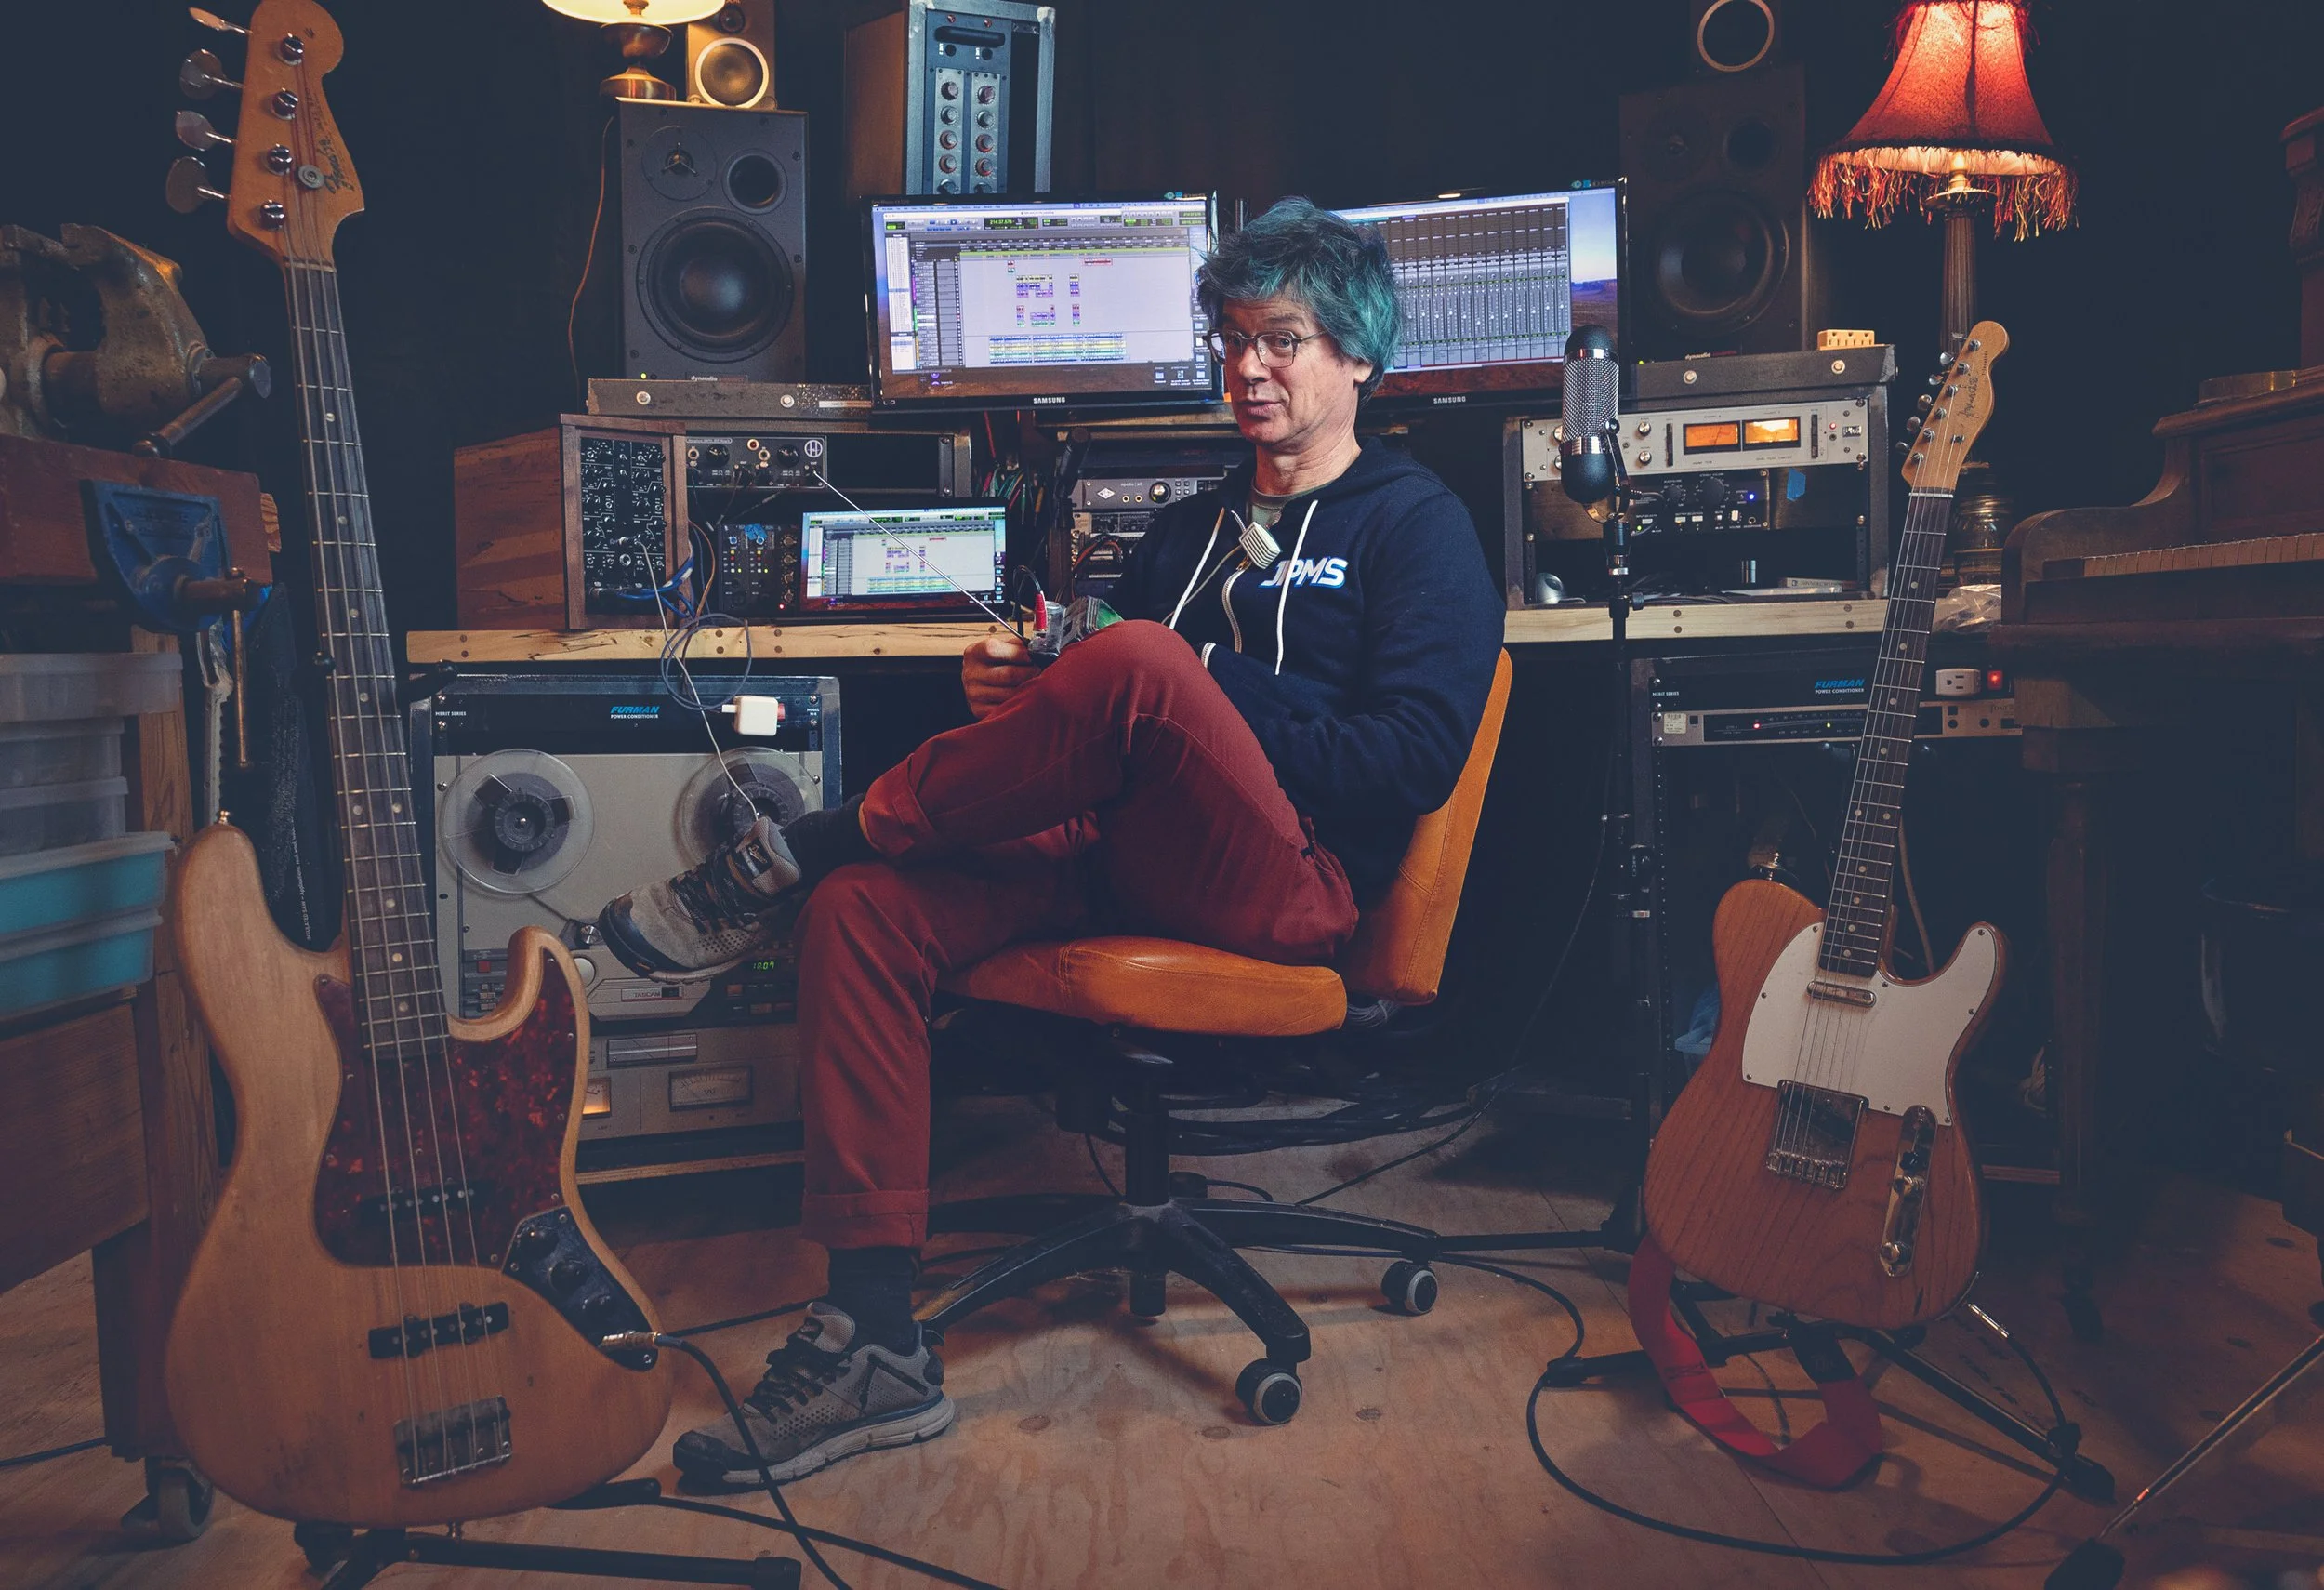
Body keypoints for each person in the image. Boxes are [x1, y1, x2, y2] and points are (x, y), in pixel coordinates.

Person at [594, 196, 1505, 1486]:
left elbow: (1405, 758)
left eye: (1283, 339)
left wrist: (1186, 680)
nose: (1248, 366)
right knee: (865, 907)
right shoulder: (1190, 531)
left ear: (1357, 354)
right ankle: (872, 1334)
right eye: (1232, 339)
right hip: (1112, 856)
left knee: (1133, 658)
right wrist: (1025, 701)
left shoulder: (1416, 526)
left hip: (1289, 884)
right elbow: (1116, 724)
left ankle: (791, 846)